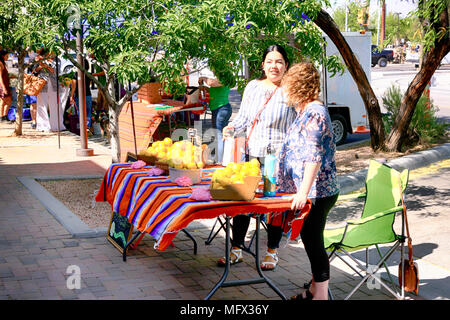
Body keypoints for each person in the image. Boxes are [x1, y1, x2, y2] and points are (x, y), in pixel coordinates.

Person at [218, 45, 297, 270]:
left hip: (278, 160)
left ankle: (272, 252)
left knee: (275, 206)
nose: (274, 66)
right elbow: (243, 118)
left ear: (286, 66)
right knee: (243, 202)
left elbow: (299, 123)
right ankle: (236, 250)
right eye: (270, 61)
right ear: (263, 64)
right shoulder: (252, 86)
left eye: (279, 61)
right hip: (252, 156)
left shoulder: (291, 90)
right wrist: (231, 128)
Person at [278, 62, 339, 300]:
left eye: (288, 85)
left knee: (313, 241)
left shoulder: (314, 112)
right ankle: (314, 290)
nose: (285, 90)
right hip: (316, 190)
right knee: (310, 238)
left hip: (318, 191)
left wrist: (303, 193)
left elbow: (314, 156)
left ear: (298, 86)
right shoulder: (306, 110)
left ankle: (321, 296)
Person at [198, 69, 232, 164]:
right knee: (218, 134)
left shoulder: (224, 77)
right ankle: (220, 158)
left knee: (219, 134)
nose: (213, 70)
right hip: (217, 109)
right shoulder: (219, 79)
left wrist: (202, 78)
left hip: (222, 109)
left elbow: (211, 83)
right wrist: (205, 88)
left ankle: (220, 161)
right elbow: (215, 89)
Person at [70, 57, 93, 133]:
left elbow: (74, 86)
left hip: (79, 96)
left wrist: (71, 96)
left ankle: (82, 129)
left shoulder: (76, 74)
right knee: (88, 112)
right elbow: (89, 84)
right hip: (88, 95)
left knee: (80, 112)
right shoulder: (89, 74)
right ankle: (87, 128)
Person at [0, 50, 13, 122]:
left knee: (6, 101)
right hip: (2, 85)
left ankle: (4, 116)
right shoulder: (0, 63)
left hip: (5, 84)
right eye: (6, 56)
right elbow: (0, 77)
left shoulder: (3, 63)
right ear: (2, 56)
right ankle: (2, 117)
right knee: (5, 100)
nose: (7, 57)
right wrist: (3, 87)